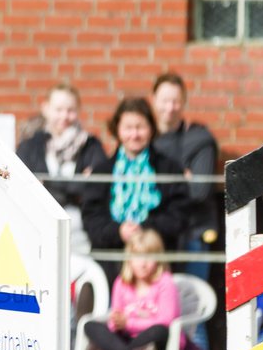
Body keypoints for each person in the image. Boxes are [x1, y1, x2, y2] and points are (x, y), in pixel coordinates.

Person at [82, 97, 191, 282]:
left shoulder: (169, 169)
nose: (134, 134)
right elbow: (91, 219)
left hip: (157, 266)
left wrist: (144, 228)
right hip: (110, 267)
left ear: (151, 129)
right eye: (128, 128)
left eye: (140, 127)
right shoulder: (101, 171)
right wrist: (119, 231)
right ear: (117, 130)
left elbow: (179, 216)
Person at [15, 83, 110, 257]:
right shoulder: (29, 147)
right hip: (36, 229)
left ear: (79, 110)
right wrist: (77, 183)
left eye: (70, 110)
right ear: (46, 109)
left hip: (79, 234)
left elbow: (97, 189)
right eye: (58, 109)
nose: (64, 116)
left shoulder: (91, 146)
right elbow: (20, 186)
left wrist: (46, 184)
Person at [150, 73, 219, 273]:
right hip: (153, 236)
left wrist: (158, 185)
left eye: (176, 101)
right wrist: (181, 179)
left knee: (194, 298)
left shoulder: (200, 139)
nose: (170, 108)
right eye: (164, 101)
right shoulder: (141, 138)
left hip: (192, 233)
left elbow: (199, 191)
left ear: (184, 103)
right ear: (153, 100)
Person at [83, 229, 177, 350]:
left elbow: (166, 321)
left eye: (149, 257)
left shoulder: (166, 282)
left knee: (159, 331)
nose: (143, 264)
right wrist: (116, 322)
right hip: (128, 342)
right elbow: (114, 323)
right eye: (138, 256)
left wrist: (129, 324)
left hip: (152, 343)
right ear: (129, 259)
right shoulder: (121, 283)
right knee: (90, 326)